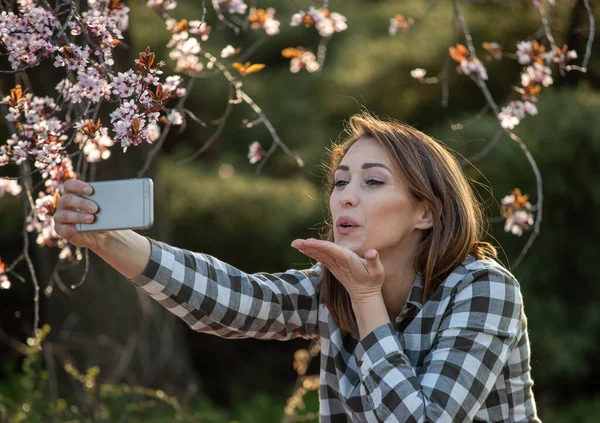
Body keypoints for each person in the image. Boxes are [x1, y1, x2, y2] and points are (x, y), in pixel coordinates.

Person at [53, 113, 541, 422]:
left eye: (373, 181)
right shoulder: (335, 285)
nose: (346, 195)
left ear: (427, 212)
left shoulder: (481, 288)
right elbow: (237, 302)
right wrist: (108, 239)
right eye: (340, 181)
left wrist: (368, 303)